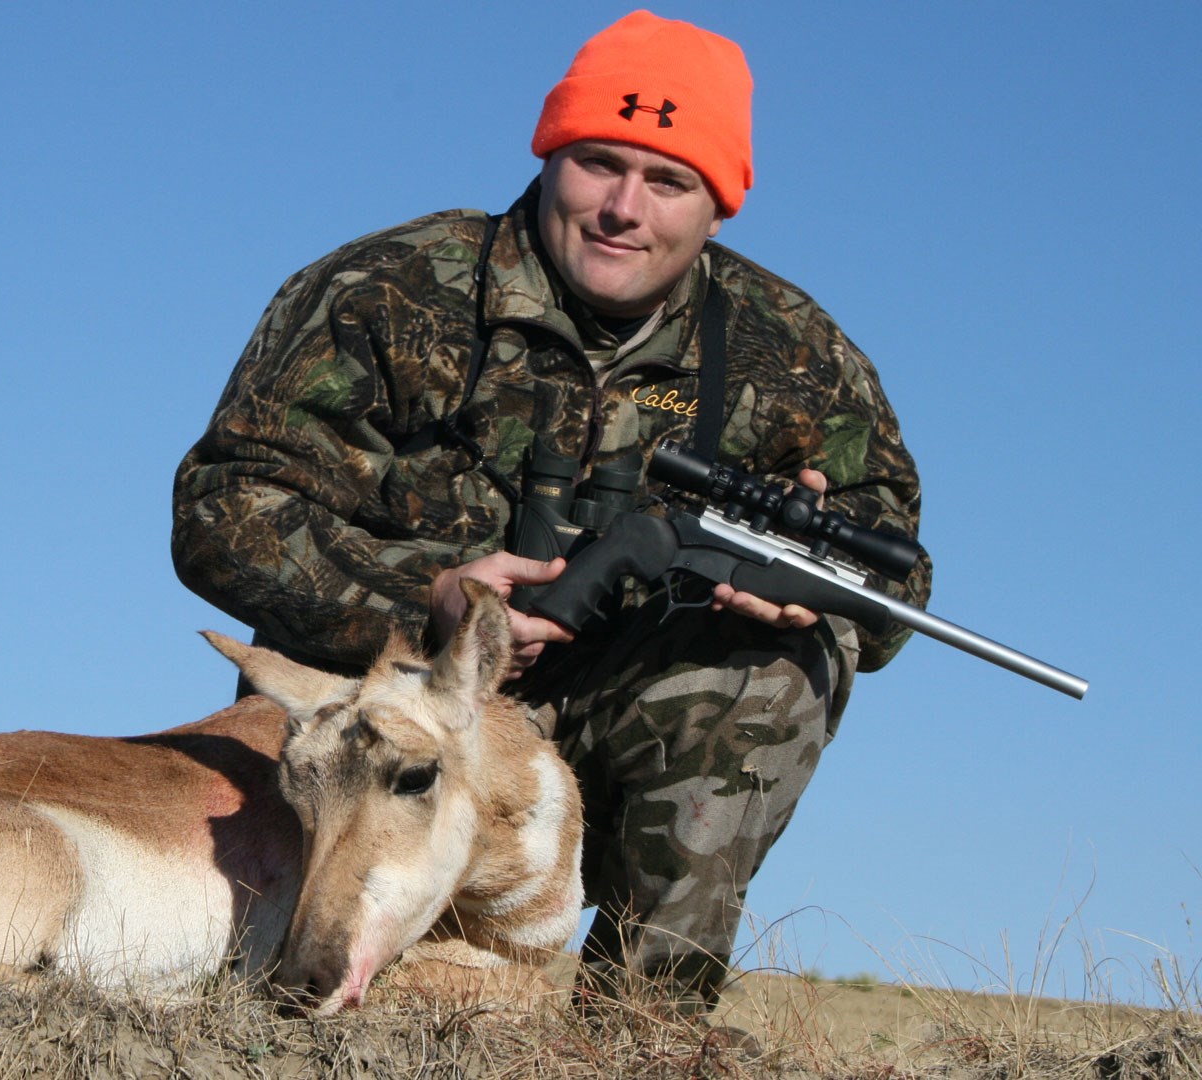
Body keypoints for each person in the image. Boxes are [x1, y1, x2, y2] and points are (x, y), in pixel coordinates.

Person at [171, 10, 933, 1017]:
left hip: (635, 698)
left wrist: (813, 598)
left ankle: (640, 1024)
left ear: (720, 207)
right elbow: (222, 507)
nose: (623, 208)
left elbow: (897, 573)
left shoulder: (793, 352)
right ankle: (292, 973)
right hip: (411, 691)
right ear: (549, 154)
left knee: (770, 680)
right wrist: (421, 599)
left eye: (667, 182)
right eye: (597, 164)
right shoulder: (387, 289)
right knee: (342, 827)